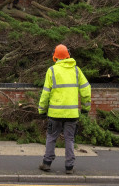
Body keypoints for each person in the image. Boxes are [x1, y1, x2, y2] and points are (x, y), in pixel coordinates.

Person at [38, 44, 91, 175]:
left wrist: (41, 110)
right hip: (72, 114)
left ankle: (46, 163)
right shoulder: (77, 70)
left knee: (51, 137)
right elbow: (86, 90)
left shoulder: (52, 70)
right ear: (68, 55)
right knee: (69, 139)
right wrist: (85, 108)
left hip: (55, 113)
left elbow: (46, 93)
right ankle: (69, 167)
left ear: (55, 57)